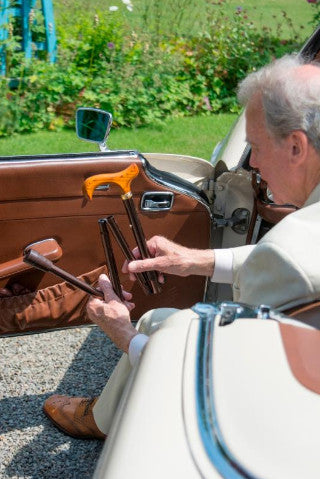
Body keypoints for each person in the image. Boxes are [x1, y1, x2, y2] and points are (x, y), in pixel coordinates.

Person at [43, 54, 320, 439]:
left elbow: (226, 388)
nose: (253, 163)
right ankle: (105, 416)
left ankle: (106, 421)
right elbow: (284, 263)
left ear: (296, 147)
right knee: (162, 321)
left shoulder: (290, 249)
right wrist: (195, 260)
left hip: (284, 427)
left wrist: (124, 336)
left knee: (157, 327)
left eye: (256, 146)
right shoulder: (300, 239)